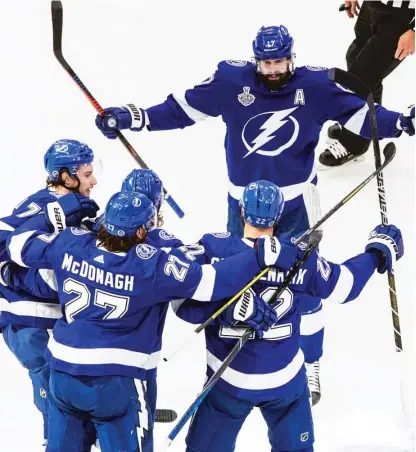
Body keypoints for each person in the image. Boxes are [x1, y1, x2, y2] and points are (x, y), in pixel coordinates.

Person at [94, 24, 414, 401]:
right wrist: (135, 117)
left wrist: (401, 122)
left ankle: (309, 366)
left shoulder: (313, 86)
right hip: (242, 204)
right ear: (255, 61)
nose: (274, 70)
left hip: (296, 203)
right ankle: (237, 356)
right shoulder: (231, 80)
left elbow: (360, 117)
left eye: (280, 62)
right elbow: (183, 109)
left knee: (305, 283)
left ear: (291, 57)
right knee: (238, 278)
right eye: (267, 64)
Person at [6, 188, 299, 452]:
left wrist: (51, 213)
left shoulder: (70, 242)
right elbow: (214, 281)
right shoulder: (150, 265)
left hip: (62, 373)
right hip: (116, 382)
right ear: (143, 231)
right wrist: (262, 255)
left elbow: (17, 244)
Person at [172, 180, 404, 452]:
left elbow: (176, 294)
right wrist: (377, 252)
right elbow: (346, 285)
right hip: (285, 383)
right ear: (279, 215)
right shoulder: (298, 257)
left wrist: (225, 310)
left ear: (242, 212)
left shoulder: (214, 248)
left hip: (227, 383)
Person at [0, 139, 98, 445]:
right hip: (28, 321)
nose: (94, 180)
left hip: (56, 319)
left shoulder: (79, 208)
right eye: (86, 174)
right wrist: (14, 275)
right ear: (66, 176)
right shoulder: (41, 204)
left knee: (70, 394)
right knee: (54, 400)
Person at [318, 0, 415, 168]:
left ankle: (355, 143)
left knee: (363, 74)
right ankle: (370, 124)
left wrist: (414, 29)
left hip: (401, 17)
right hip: (372, 5)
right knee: (355, 59)